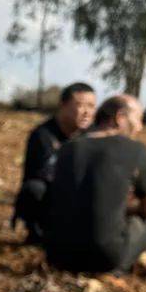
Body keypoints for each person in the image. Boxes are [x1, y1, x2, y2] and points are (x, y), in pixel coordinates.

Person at [43, 95, 146, 274]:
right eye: (138, 119)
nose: (140, 127)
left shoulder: (68, 147)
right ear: (120, 117)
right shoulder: (135, 149)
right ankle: (116, 269)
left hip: (57, 255)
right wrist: (129, 207)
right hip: (104, 257)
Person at [12, 82, 97, 243]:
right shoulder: (42, 135)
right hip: (53, 196)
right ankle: (37, 235)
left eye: (92, 106)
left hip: (81, 198)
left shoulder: (94, 135)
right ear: (63, 106)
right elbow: (44, 175)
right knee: (34, 189)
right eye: (80, 105)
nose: (87, 112)